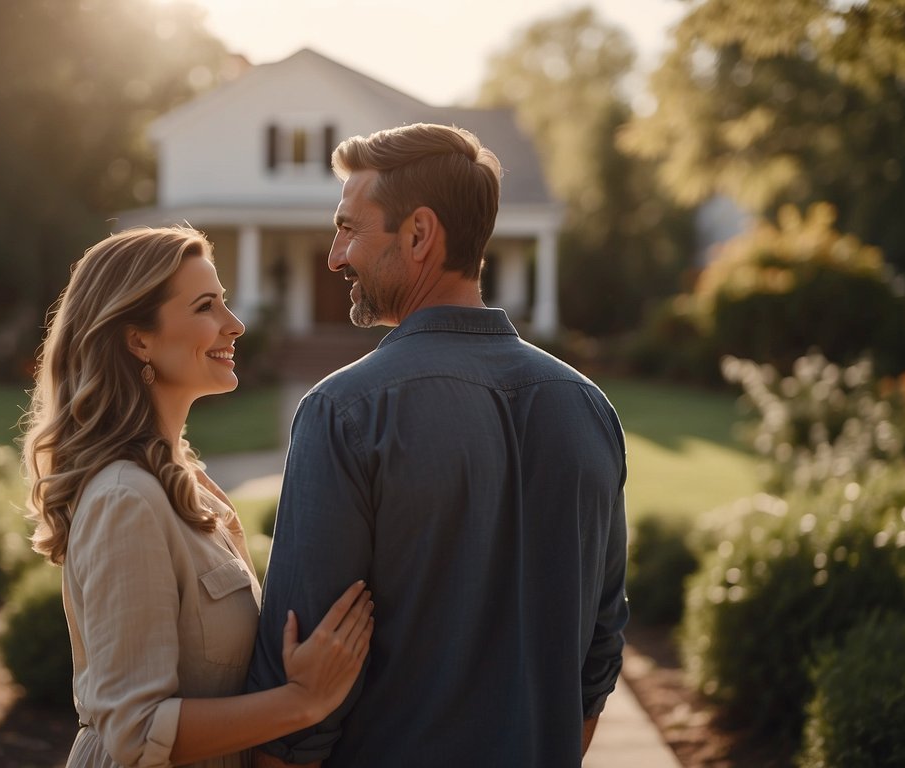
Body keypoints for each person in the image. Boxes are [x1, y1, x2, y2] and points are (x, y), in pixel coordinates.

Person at [246, 124, 629, 766]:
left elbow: (297, 686)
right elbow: (598, 658)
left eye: (349, 228)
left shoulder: (342, 413)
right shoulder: (589, 408)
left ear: (419, 234)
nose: (337, 255)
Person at [22, 226, 375, 768]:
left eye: (225, 303)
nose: (234, 326)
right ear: (138, 338)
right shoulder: (127, 499)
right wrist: (301, 703)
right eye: (207, 306)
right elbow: (137, 735)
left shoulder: (188, 483)